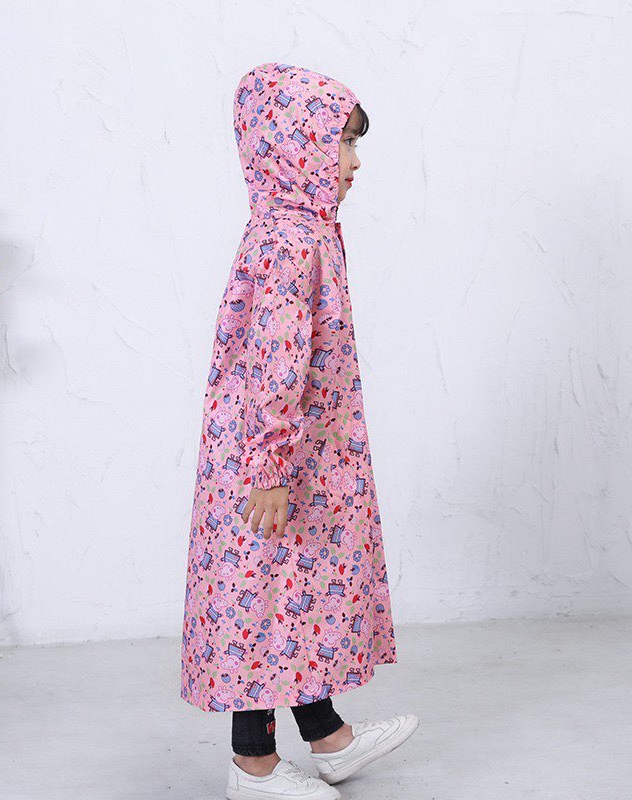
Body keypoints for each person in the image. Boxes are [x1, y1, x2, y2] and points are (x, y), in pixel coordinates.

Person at [180, 61, 418, 800]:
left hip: (291, 450)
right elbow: (277, 361)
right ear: (295, 147)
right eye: (341, 144)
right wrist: (271, 468)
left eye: (353, 145)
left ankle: (328, 737)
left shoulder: (297, 229)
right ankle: (253, 763)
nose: (353, 163)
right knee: (261, 588)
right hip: (273, 455)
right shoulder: (291, 240)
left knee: (290, 584)